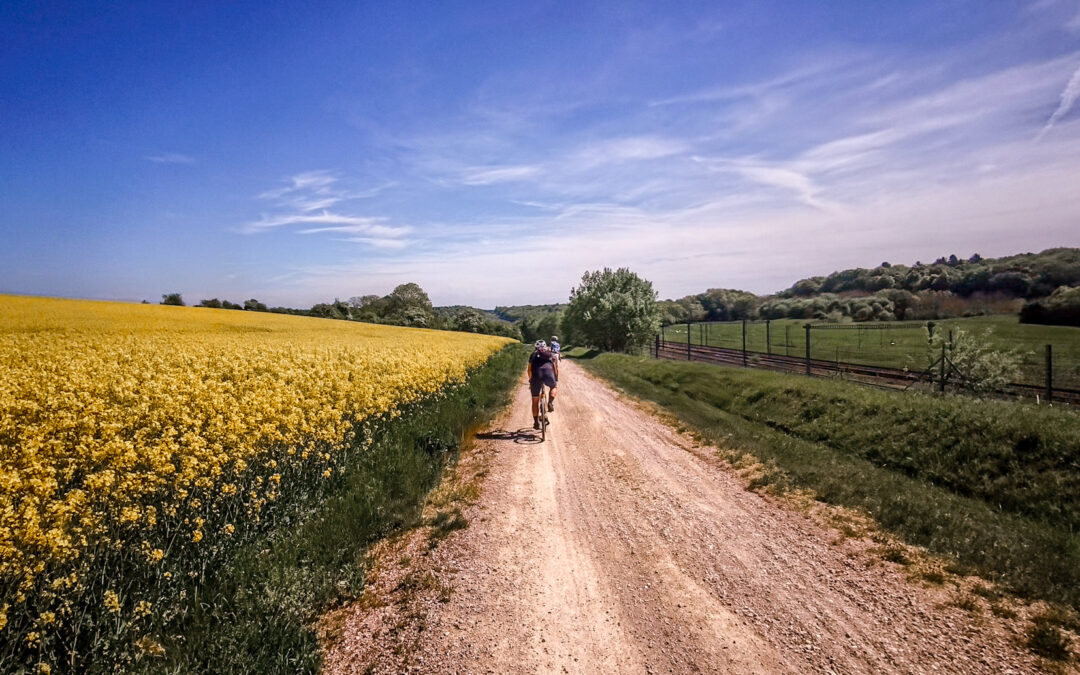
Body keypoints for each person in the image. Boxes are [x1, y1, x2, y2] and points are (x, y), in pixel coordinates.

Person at [528, 339, 558, 430]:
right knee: (553, 387)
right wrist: (555, 380)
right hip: (549, 374)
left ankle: (536, 422)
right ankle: (549, 403)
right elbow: (556, 369)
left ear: (535, 347)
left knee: (535, 400)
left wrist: (531, 381)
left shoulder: (533, 355)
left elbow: (529, 370)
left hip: (537, 376)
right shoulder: (551, 354)